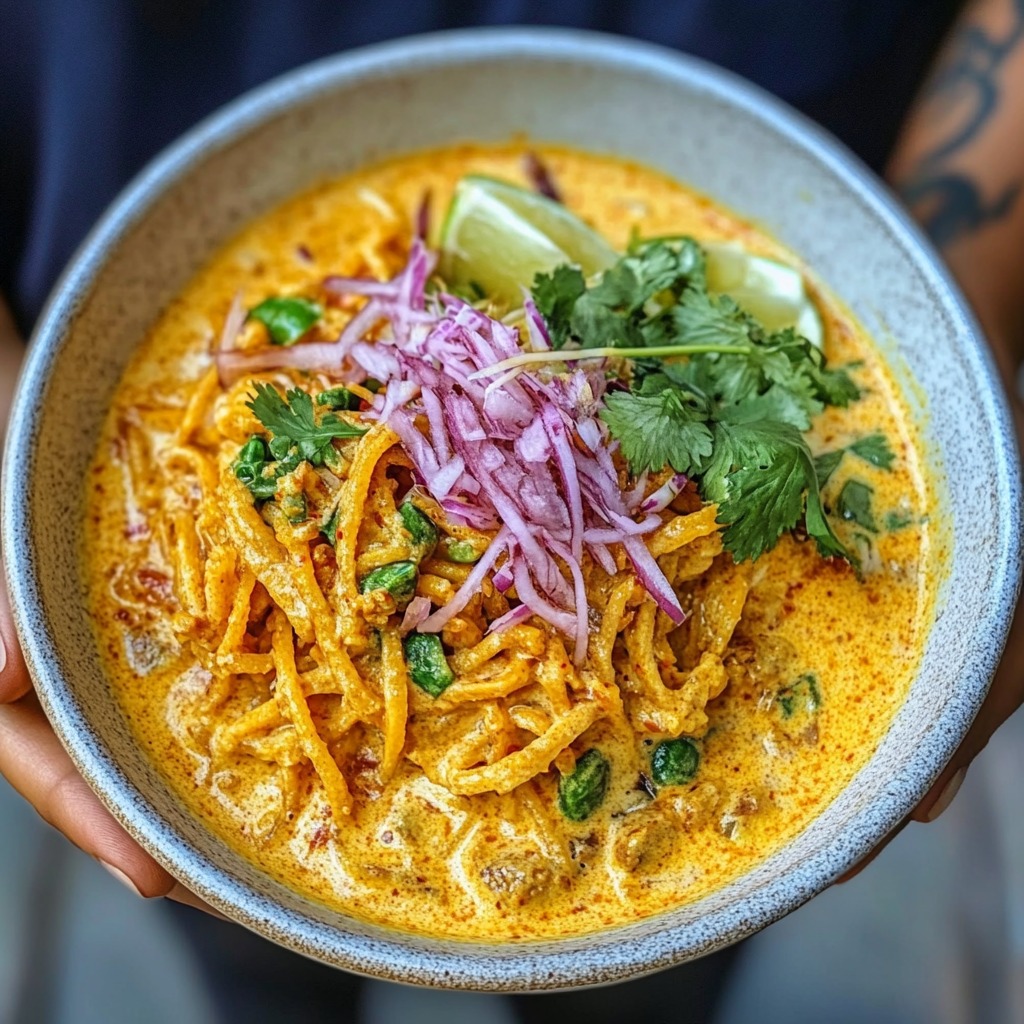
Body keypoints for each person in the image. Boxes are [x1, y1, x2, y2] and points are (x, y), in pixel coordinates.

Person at [0, 0, 1021, 1019]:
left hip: (795, 98)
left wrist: (955, 291)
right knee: (255, 979)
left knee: (642, 1003)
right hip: (96, 154)